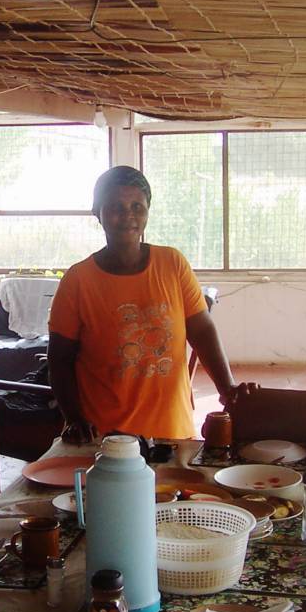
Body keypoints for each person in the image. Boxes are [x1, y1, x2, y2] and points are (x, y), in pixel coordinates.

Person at [48, 165, 238, 443]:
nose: (128, 216)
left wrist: (227, 389)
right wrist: (74, 418)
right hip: (107, 440)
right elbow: (59, 360)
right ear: (97, 212)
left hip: (172, 435)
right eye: (116, 206)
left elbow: (201, 331)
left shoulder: (172, 264)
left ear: (148, 211)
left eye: (138, 206)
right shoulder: (78, 280)